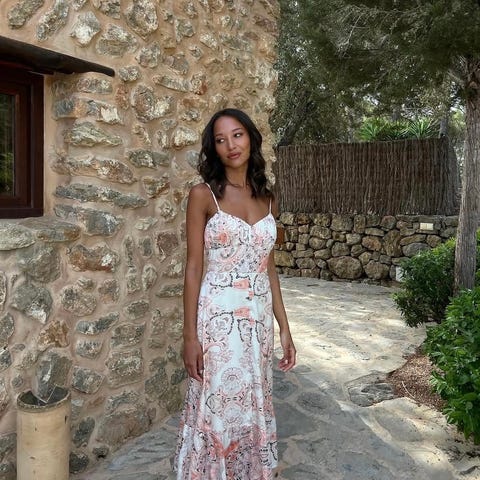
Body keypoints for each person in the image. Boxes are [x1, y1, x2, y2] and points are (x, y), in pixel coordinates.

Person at [174, 108, 296, 480]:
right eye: (221, 139)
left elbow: (268, 267)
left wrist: (284, 327)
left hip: (257, 322)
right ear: (213, 148)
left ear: (251, 138)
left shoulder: (268, 198)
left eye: (237, 134)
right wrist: (189, 336)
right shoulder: (203, 196)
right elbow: (193, 267)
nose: (231, 145)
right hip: (218, 320)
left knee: (253, 398)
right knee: (218, 403)